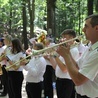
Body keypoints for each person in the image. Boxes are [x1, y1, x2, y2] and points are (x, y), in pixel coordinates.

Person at [56, 14, 98, 98]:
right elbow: (77, 66)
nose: (83, 30)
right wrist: (67, 53)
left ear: (96, 28)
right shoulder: (90, 47)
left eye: (86, 27)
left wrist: (66, 56)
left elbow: (78, 80)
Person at [49, 29, 79, 98]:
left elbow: (64, 69)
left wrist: (55, 56)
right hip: (59, 80)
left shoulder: (73, 50)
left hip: (66, 82)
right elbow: (56, 67)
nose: (62, 40)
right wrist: (51, 55)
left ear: (71, 38)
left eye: (64, 37)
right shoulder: (65, 50)